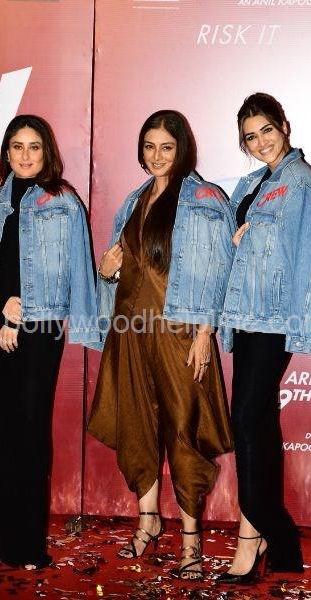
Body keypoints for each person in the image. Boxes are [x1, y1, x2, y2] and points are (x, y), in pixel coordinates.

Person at [87, 110, 235, 581]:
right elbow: (124, 269)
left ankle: (191, 541)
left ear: (182, 149)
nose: (156, 156)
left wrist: (205, 333)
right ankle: (148, 520)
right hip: (130, 331)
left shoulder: (204, 198)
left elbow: (220, 269)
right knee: (136, 426)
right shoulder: (134, 200)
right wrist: (107, 271)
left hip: (179, 334)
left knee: (184, 432)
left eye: (166, 147)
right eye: (149, 146)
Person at [0, 114, 99, 570]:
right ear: (6, 152)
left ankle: (26, 542)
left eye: (35, 146)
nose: (26, 155)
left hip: (37, 329)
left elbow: (78, 267)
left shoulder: (64, 202)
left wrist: (28, 309)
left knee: (29, 433)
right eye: (17, 146)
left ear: (47, 152)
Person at [216, 93, 311, 584]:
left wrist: (299, 327)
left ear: (284, 126)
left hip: (273, 319)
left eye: (266, 131)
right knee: (254, 425)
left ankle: (261, 532)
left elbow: (308, 258)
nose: (260, 142)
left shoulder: (300, 183)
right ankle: (275, 542)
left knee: (248, 421)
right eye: (250, 137)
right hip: (246, 316)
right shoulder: (255, 183)